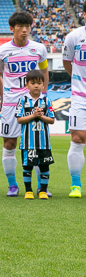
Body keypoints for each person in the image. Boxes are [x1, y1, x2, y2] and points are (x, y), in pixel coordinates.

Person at [0, 11, 49, 197]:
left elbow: (44, 72)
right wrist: (3, 97)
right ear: (12, 29)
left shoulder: (39, 49)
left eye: (27, 26)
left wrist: (43, 97)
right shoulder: (1, 51)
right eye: (20, 27)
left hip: (34, 103)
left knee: (38, 145)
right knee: (9, 143)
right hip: (11, 103)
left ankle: (42, 187)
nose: (25, 30)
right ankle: (12, 185)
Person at [15, 70, 55, 200]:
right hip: (28, 142)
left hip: (44, 143)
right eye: (33, 83)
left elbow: (52, 120)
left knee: (44, 166)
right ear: (27, 85)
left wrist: (41, 116)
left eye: (39, 83)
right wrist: (33, 115)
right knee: (27, 167)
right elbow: (19, 119)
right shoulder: (22, 100)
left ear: (43, 85)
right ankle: (28, 191)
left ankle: (43, 191)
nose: (36, 86)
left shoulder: (47, 101)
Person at [62, 25, 86, 198]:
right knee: (77, 138)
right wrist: (79, 82)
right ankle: (76, 185)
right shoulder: (74, 37)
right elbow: (66, 62)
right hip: (80, 95)